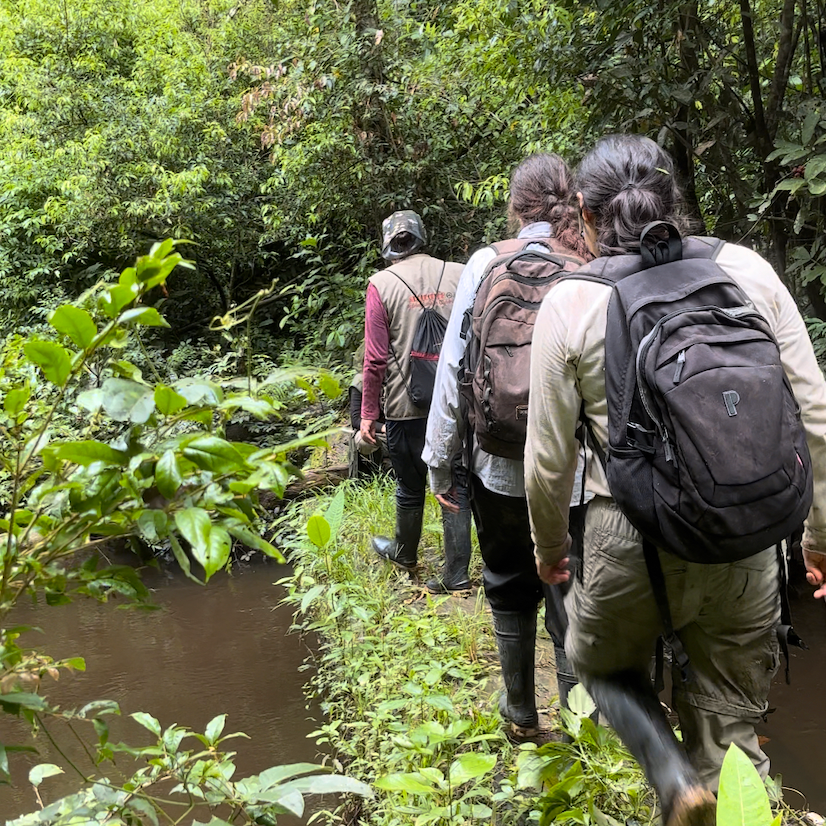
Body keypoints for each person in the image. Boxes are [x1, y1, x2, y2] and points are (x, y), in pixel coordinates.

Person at [525, 134, 826, 826]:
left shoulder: (570, 303)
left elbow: (547, 461)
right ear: (674, 201)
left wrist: (550, 550)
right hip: (747, 536)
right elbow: (816, 416)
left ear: (587, 217)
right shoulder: (747, 271)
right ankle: (727, 791)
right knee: (734, 736)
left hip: (626, 539)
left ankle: (671, 779)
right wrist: (818, 537)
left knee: (596, 664)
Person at [423, 153, 592, 740]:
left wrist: (439, 461)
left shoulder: (484, 263)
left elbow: (453, 369)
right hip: (573, 467)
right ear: (571, 202)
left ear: (515, 207)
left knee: (506, 581)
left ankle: (521, 711)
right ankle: (577, 719)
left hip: (496, 463)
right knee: (568, 581)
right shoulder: (589, 266)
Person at [361, 210, 472, 589]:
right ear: (422, 237)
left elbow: (375, 358)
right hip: (457, 403)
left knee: (409, 485)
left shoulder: (381, 284)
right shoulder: (461, 273)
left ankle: (405, 553)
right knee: (456, 481)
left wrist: (367, 416)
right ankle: (456, 574)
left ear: (389, 245)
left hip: (406, 407)